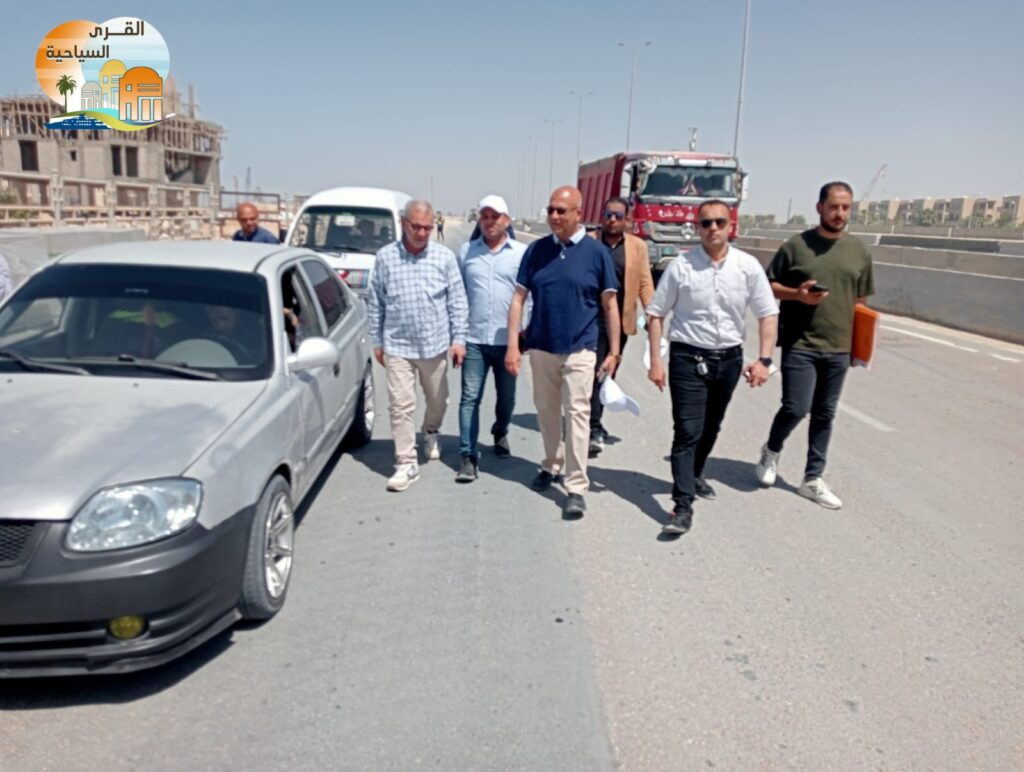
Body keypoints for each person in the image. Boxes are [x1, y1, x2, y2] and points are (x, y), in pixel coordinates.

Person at [646, 199, 778, 535]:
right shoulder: (682, 267)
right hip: (687, 358)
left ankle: (694, 474)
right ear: (697, 227)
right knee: (687, 431)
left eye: (720, 222)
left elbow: (767, 313)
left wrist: (764, 359)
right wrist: (656, 361)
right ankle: (682, 505)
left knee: (711, 426)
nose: (713, 228)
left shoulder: (747, 266)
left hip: (728, 360)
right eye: (706, 223)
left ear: (730, 226)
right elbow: (656, 314)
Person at [754, 182, 874, 509]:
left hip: (839, 347)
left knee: (825, 414)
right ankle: (771, 450)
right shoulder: (796, 246)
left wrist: (860, 347)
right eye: (833, 206)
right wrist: (797, 295)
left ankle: (812, 478)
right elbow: (767, 286)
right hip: (800, 343)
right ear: (819, 207)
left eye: (846, 207)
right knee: (796, 407)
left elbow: (860, 302)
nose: (839, 213)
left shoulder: (859, 251)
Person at [505, 186, 621, 519]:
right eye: (551, 210)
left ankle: (576, 487)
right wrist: (513, 345)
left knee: (578, 415)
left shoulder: (596, 254)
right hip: (542, 347)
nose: (554, 216)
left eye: (561, 211)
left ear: (578, 214)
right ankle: (551, 464)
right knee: (546, 412)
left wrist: (614, 351)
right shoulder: (537, 251)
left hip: (580, 349)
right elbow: (518, 299)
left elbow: (609, 305)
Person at [367, 200, 468, 492]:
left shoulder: (443, 257)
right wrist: (377, 341)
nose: (422, 233)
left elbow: (457, 301)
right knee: (400, 406)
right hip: (398, 345)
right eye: (416, 227)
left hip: (434, 345)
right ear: (403, 223)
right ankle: (406, 463)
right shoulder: (386, 258)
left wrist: (458, 339)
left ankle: (431, 430)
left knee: (438, 400)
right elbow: (376, 302)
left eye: (427, 227)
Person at [455, 195, 528, 483]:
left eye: (495, 217)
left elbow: (530, 296)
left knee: (507, 397)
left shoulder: (521, 253)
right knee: (469, 398)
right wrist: (457, 337)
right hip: (474, 339)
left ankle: (500, 431)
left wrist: (525, 333)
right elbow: (458, 296)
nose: (489, 222)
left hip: (508, 341)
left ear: (506, 220)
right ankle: (468, 455)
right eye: (484, 216)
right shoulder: (467, 252)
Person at [587, 196, 656, 456]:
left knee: (609, 372)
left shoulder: (637, 247)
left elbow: (645, 283)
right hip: (592, 319)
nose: (613, 220)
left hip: (621, 321)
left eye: (618, 216)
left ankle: (593, 419)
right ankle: (592, 427)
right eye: (608, 215)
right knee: (596, 372)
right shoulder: (589, 242)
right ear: (602, 217)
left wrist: (653, 314)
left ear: (628, 220)